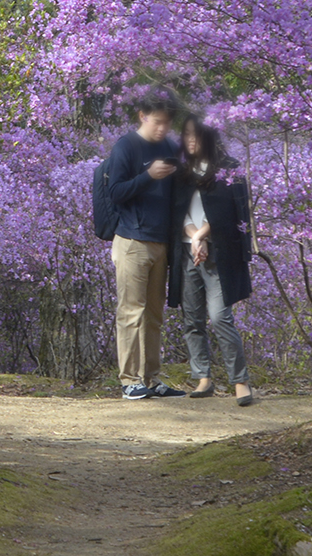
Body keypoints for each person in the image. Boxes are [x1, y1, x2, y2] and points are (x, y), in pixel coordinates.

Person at [103, 92, 189, 400]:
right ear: (142, 116)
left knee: (154, 314)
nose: (163, 129)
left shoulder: (168, 147)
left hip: (161, 242)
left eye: (167, 123)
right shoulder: (127, 146)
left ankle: (151, 379)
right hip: (131, 241)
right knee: (131, 312)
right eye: (157, 122)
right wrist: (148, 176)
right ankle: (129, 381)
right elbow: (115, 192)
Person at [174, 117, 255, 406]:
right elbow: (176, 211)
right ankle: (203, 378)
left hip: (219, 254)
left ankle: (240, 381)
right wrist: (195, 237)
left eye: (196, 135)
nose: (191, 140)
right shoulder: (182, 172)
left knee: (220, 318)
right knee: (192, 319)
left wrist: (205, 236)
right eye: (186, 135)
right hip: (187, 252)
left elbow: (234, 214)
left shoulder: (229, 170)